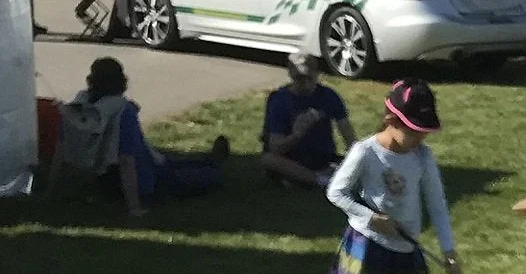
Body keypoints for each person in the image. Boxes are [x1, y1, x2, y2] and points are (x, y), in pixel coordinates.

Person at [327, 79, 462, 274]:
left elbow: (437, 206)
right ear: (391, 121)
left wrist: (449, 250)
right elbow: (336, 192)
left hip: (407, 246)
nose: (419, 139)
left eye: (423, 133)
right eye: (413, 131)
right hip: (368, 243)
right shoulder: (365, 153)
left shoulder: (422, 158)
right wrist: (372, 219)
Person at [60, 56, 227, 215]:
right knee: (198, 178)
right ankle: (213, 165)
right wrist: (135, 207)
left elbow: (61, 146)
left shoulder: (79, 108)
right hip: (145, 177)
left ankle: (208, 160)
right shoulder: (122, 111)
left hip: (104, 179)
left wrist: (52, 190)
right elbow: (127, 159)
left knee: (173, 163)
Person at [262, 51, 353, 191]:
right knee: (269, 160)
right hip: (292, 159)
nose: (304, 83)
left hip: (324, 157)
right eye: (299, 78)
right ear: (290, 74)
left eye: (308, 78)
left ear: (317, 75)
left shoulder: (328, 96)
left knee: (354, 159)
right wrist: (297, 134)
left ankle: (306, 179)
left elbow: (347, 133)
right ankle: (320, 180)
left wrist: (354, 157)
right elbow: (275, 147)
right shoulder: (279, 100)